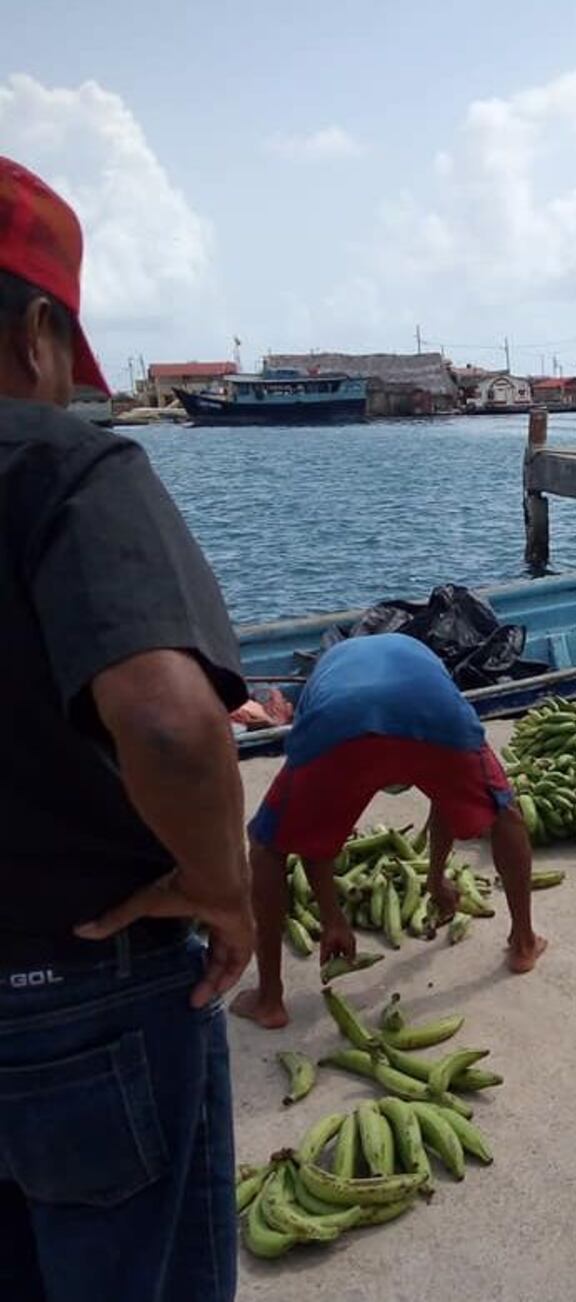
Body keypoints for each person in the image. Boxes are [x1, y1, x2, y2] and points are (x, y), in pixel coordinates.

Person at [0, 158, 253, 1300]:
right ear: (39, 329)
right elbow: (167, 726)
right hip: (79, 985)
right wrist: (222, 884)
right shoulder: (61, 466)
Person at [233, 633, 546, 1030]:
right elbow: (444, 794)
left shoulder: (323, 678)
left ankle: (270, 999)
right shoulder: (425, 662)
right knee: (506, 814)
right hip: (432, 715)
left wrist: (333, 919)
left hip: (340, 723)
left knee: (267, 846)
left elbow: (316, 832)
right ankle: (523, 943)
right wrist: (435, 879)